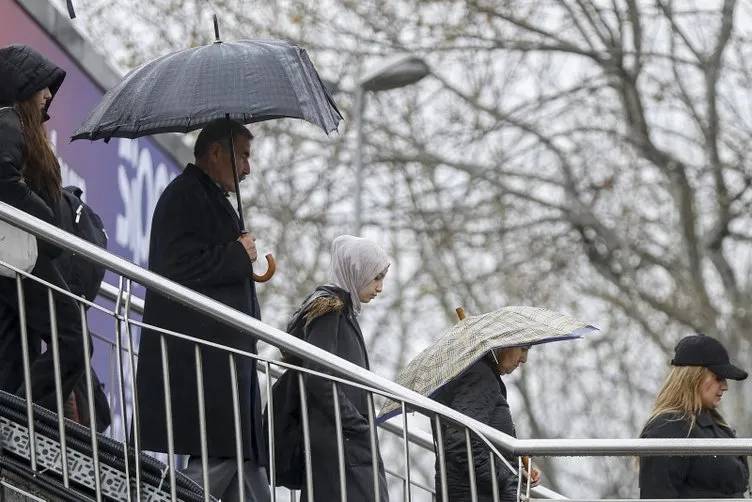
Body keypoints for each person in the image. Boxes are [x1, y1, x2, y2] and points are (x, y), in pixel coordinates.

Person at [134, 118, 269, 502]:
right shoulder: (184, 196)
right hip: (207, 364)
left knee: (244, 463)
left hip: (225, 365)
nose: (247, 168)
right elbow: (175, 268)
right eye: (242, 156)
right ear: (214, 152)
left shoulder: (207, 197)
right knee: (224, 456)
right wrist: (236, 255)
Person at [0, 44, 88, 413]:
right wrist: (47, 222)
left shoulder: (17, 126)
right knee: (73, 338)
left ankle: (13, 414)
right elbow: (3, 175)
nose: (49, 95)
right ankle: (22, 416)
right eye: (43, 86)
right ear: (24, 85)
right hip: (22, 253)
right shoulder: (8, 123)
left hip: (20, 253)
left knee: (14, 346)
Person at [279, 235, 390, 501]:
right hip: (339, 441)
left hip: (342, 441)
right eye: (376, 278)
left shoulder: (342, 310)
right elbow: (318, 377)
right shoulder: (330, 310)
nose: (380, 288)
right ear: (356, 271)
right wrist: (356, 424)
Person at [639, 334, 749, 499]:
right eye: (718, 377)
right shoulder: (668, 427)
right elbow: (657, 494)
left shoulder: (717, 427)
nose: (725, 386)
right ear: (693, 378)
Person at [431, 345, 541, 502]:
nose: (524, 359)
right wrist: (507, 475)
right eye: (523, 349)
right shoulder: (479, 376)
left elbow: (480, 443)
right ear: (502, 344)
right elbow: (461, 441)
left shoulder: (484, 375)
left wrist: (515, 469)